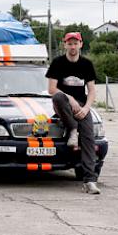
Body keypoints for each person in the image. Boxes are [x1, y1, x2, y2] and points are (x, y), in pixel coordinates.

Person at [46, 32, 101, 194]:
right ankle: (73, 129)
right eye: (69, 43)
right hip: (63, 105)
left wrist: (86, 108)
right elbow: (51, 89)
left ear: (81, 44)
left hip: (82, 107)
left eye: (75, 43)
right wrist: (71, 99)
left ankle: (90, 181)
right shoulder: (57, 63)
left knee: (89, 139)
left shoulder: (86, 64)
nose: (72, 46)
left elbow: (91, 91)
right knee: (58, 96)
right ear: (65, 45)